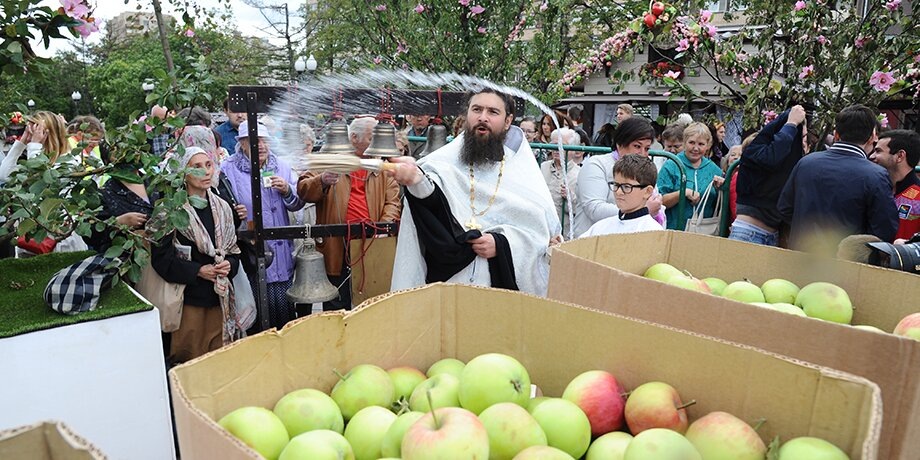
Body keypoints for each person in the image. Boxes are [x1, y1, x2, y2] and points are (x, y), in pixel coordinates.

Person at [387, 88, 560, 296]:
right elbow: (433, 208)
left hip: (496, 294)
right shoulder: (441, 166)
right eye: (476, 109)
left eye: (493, 112)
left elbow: (539, 235)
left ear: (508, 121)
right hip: (449, 288)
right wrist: (415, 180)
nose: (483, 118)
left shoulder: (521, 173)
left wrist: (501, 243)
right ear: (467, 114)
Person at [297, 117, 402, 311]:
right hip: (337, 245)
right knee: (338, 305)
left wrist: (383, 229)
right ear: (353, 137)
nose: (378, 143)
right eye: (373, 137)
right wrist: (322, 180)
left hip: (371, 243)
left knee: (373, 303)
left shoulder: (382, 168)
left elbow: (393, 202)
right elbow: (304, 191)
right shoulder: (328, 160)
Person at [151, 146, 241, 363]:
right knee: (190, 362)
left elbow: (234, 251)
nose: (206, 172)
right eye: (197, 167)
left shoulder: (223, 207)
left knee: (219, 362)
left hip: (220, 301)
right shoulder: (169, 211)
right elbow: (161, 259)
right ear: (183, 173)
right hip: (189, 303)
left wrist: (229, 265)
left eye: (208, 165)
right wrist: (198, 271)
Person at [778, 104, 898, 254]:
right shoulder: (875, 175)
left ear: (836, 134)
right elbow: (884, 228)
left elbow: (785, 208)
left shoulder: (806, 163)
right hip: (846, 261)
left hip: (801, 253)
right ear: (872, 137)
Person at [221, 123, 304, 330]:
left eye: (264, 140)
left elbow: (298, 203)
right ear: (242, 144)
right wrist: (234, 212)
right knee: (258, 306)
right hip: (251, 247)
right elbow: (221, 205)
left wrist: (287, 190)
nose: (261, 146)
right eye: (254, 141)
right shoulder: (228, 168)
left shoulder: (282, 166)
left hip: (281, 248)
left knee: (284, 309)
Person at [573, 117, 665, 237]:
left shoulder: (645, 170)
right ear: (620, 145)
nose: (643, 153)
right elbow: (593, 207)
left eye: (647, 148)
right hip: (593, 242)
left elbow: (655, 204)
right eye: (637, 146)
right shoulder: (596, 165)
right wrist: (641, 211)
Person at [730, 107, 806, 246]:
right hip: (748, 234)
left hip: (771, 236)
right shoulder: (756, 152)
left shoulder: (783, 165)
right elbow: (772, 157)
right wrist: (791, 124)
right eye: (802, 137)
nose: (804, 143)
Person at [657, 122, 725, 230]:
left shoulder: (714, 170)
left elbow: (723, 204)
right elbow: (659, 201)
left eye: (701, 144)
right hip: (675, 230)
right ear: (684, 143)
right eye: (692, 143)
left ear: (708, 145)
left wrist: (721, 189)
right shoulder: (671, 165)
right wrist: (683, 193)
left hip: (704, 233)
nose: (696, 148)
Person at [581, 155, 663, 237]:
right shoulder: (599, 228)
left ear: (647, 191)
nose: (618, 192)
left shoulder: (654, 233)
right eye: (616, 185)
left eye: (626, 187)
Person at [869, 129, 920, 242]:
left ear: (900, 156)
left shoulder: (918, 196)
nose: (871, 156)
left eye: (878, 151)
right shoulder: (873, 188)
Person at [541, 128, 581, 238]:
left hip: (565, 233)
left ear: (573, 149)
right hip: (542, 230)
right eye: (554, 144)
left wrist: (570, 198)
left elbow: (583, 209)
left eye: (562, 145)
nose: (557, 149)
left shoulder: (579, 174)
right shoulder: (543, 167)